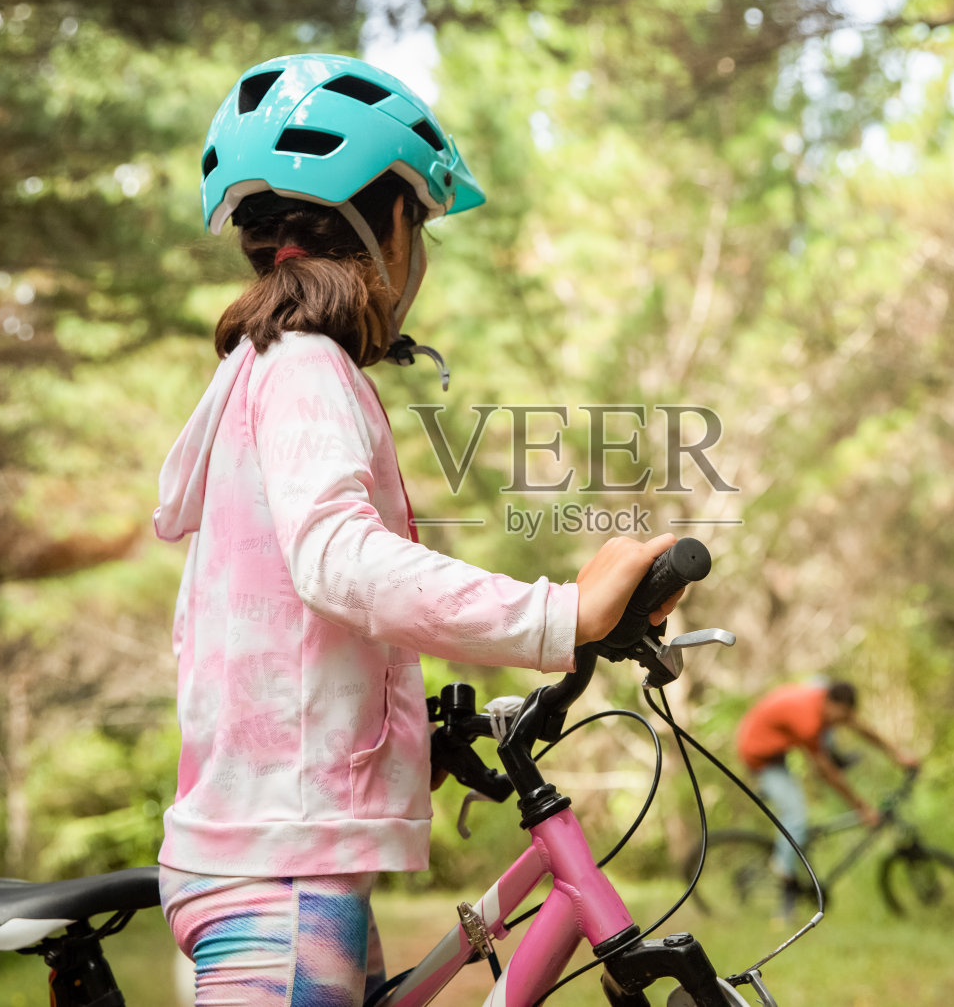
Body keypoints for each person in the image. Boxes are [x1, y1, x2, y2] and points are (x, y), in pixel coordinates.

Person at [152, 53, 683, 1007]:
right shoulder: (307, 367)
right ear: (387, 220)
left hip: (275, 853)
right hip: (277, 875)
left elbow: (285, 633)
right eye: (421, 224)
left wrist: (402, 741)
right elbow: (336, 560)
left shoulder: (261, 373)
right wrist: (556, 615)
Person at [735, 678, 918, 911]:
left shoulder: (824, 697)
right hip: (760, 755)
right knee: (796, 818)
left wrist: (897, 754)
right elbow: (827, 773)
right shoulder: (808, 721)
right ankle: (785, 878)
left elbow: (862, 728)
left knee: (820, 691)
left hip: (780, 740)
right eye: (839, 717)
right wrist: (861, 807)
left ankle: (834, 753)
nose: (842, 723)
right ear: (831, 702)